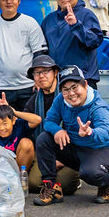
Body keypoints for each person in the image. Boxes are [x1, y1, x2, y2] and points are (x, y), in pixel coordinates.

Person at [33, 65, 109, 206]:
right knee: (44, 139)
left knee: (90, 173)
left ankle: (106, 183)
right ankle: (52, 187)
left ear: (85, 84)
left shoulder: (99, 106)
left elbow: (105, 133)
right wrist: (58, 130)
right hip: (76, 147)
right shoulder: (61, 100)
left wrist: (90, 132)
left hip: (102, 149)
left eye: (75, 87)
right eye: (66, 89)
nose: (71, 93)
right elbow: (48, 121)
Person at [24, 54, 82, 195]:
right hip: (45, 150)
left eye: (46, 71)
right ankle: (51, 180)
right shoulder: (34, 101)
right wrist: (9, 112)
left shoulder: (69, 96)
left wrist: (61, 159)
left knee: (67, 185)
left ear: (55, 73)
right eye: (37, 73)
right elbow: (25, 128)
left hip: (70, 149)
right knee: (32, 184)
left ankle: (72, 177)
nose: (41, 76)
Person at [40, 0, 104, 88]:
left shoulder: (87, 15)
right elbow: (43, 50)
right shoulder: (48, 20)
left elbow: (95, 41)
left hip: (82, 79)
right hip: (56, 81)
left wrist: (76, 25)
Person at [0, 103, 36, 172]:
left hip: (20, 165)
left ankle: (20, 177)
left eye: (5, 123)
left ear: (13, 120)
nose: (1, 128)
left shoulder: (18, 125)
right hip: (1, 171)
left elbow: (37, 120)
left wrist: (15, 112)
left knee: (26, 143)